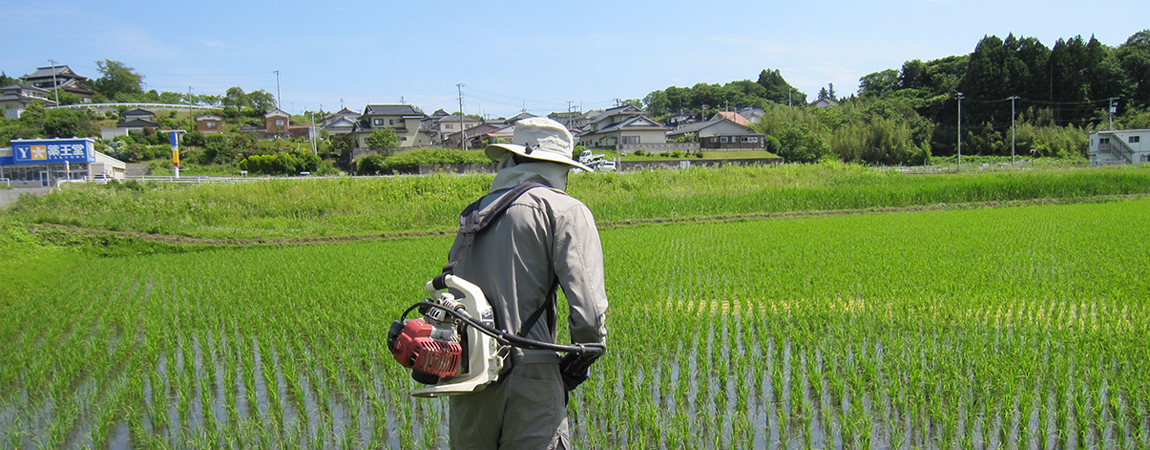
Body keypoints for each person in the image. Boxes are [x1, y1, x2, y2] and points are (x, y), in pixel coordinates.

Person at [446, 117, 609, 450]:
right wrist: (579, 362)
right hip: (530, 381)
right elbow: (589, 316)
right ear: (559, 167)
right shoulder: (564, 210)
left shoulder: (473, 215)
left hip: (468, 383)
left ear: (512, 159)